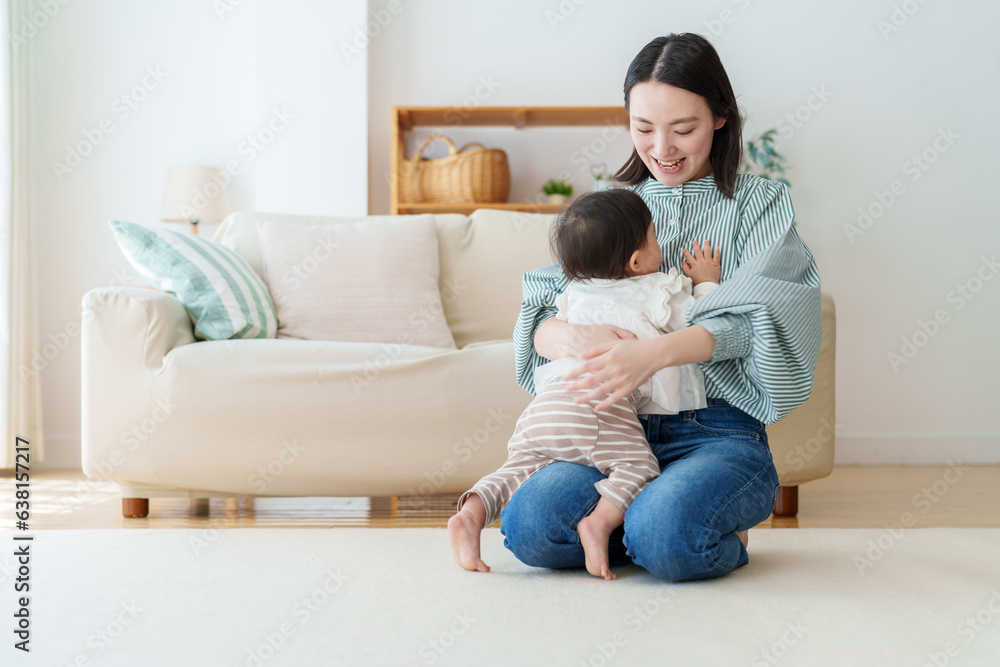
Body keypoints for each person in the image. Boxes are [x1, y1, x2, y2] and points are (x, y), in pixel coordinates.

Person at [502, 32, 823, 582]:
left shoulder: (758, 203)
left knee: (669, 538)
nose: (662, 149)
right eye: (643, 128)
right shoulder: (620, 207)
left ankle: (665, 524)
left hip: (717, 431)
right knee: (530, 527)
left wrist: (650, 355)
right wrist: (568, 338)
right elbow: (545, 307)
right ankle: (648, 522)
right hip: (612, 432)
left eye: (684, 129)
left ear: (721, 117)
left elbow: (765, 311)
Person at [449, 188, 724, 579]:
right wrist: (706, 282)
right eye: (654, 237)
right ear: (636, 260)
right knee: (640, 466)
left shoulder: (573, 294)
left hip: (545, 407)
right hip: (598, 409)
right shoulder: (658, 288)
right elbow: (698, 322)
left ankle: (471, 513)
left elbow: (542, 332)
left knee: (520, 467)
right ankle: (600, 522)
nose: (660, 244)